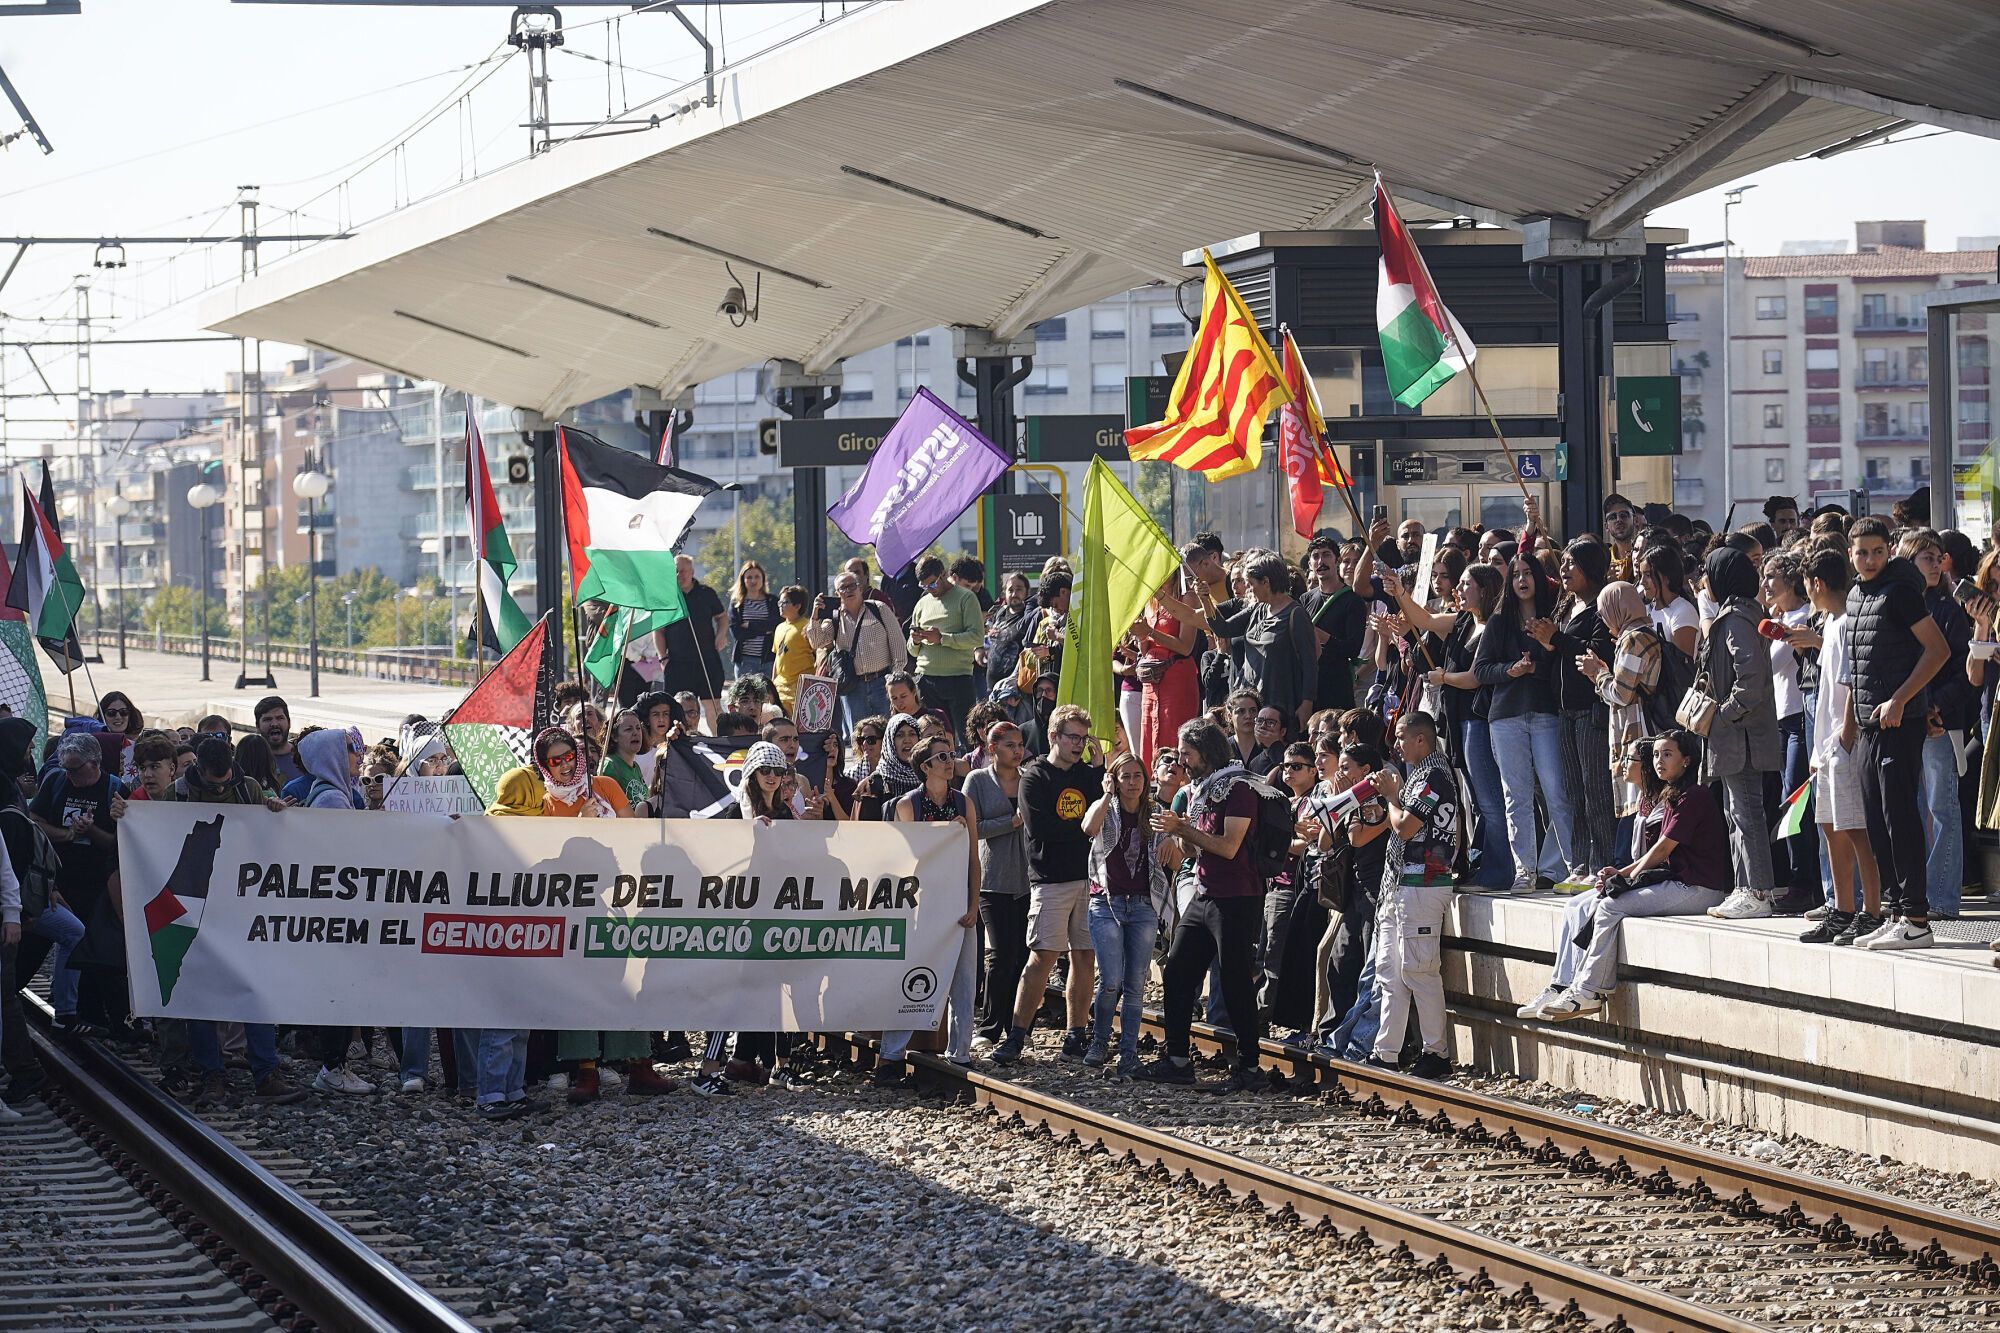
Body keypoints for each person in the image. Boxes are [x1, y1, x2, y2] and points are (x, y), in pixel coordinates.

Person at [1519, 731, 1728, 1020]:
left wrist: (1628, 878)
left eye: (1667, 754)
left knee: (1609, 905)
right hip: (1677, 883)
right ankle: (1563, 986)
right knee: (1580, 904)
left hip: (1699, 889)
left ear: (1687, 760)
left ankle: (1589, 992)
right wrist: (1621, 873)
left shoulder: (1694, 795)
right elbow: (1655, 852)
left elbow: (1662, 849)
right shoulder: (1673, 794)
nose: (1659, 761)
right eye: (1656, 755)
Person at [1843, 516, 1949, 949]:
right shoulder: (1855, 594)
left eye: (1878, 551)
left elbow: (1938, 650)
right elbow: (1859, 667)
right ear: (1850, 554)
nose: (1870, 559)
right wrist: (1849, 724)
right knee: (1875, 820)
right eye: (1862, 552)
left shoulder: (1901, 592)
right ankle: (1896, 912)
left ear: (1889, 551)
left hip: (1899, 723)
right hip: (1869, 724)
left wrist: (1902, 699)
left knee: (1899, 818)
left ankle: (1917, 919)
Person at [1140, 718, 1262, 1091]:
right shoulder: (1202, 789)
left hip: (1236, 897)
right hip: (1205, 892)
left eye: (1187, 754)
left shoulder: (1239, 788)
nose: (1182, 761)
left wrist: (1183, 829)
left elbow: (1229, 846)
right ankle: (1177, 1058)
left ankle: (1250, 1067)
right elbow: (1194, 851)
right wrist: (1180, 833)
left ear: (1206, 753)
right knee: (1177, 971)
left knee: (1235, 980)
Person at [991, 704, 1103, 1066]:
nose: (1079, 744)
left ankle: (1075, 1035)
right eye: (1073, 737)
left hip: (1088, 878)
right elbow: (1042, 829)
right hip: (1051, 880)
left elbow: (1101, 819)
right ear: (1054, 736)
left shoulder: (1088, 775)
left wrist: (1100, 769)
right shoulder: (1035, 776)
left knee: (1084, 956)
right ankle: (1016, 1036)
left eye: (1083, 738)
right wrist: (1084, 830)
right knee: (1042, 957)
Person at [1474, 551, 1585, 892]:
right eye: (1516, 574)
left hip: (1546, 714)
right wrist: (1511, 670)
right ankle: (1524, 870)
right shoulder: (1499, 622)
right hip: (1505, 716)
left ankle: (1574, 867)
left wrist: (1538, 662)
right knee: (1516, 797)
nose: (1522, 580)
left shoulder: (1555, 618)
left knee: (1557, 791)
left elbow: (1563, 667)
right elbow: (1481, 670)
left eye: (1528, 573)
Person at [875, 736, 982, 1082]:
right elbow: (904, 858)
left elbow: (973, 859)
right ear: (925, 767)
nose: (950, 762)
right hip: (920, 907)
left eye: (951, 755)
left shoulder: (963, 802)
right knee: (910, 978)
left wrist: (973, 903)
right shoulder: (909, 805)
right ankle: (891, 1056)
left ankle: (960, 1052)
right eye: (942, 757)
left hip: (958, 904)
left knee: (964, 980)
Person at [1365, 712, 1460, 1079]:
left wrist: (1392, 796)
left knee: (1419, 970)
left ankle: (1436, 1053)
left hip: (1423, 883)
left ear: (1421, 739)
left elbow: (1405, 827)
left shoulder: (1434, 775)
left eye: (1402, 737)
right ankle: (1385, 1052)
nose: (1396, 745)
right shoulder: (1421, 775)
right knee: (1390, 972)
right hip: (1399, 884)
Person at [1797, 549, 1884, 945]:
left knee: (1856, 829)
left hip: (1844, 742)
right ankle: (1842, 908)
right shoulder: (1831, 622)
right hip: (1826, 744)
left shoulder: (1848, 621)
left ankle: (1872, 910)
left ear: (1816, 583)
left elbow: (1852, 683)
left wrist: (1846, 737)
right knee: (1831, 828)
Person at [1693, 546, 1783, 922]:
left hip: (1740, 737)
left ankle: (1757, 891)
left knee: (1746, 813)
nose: (1704, 582)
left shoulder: (1735, 619)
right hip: (1737, 736)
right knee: (1737, 813)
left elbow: (1750, 677)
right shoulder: (1744, 613)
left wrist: (1724, 715)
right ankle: (1745, 888)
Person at [1078, 750, 1179, 1078]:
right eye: (1125, 777)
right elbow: (1088, 827)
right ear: (1115, 780)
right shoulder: (1107, 808)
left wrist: (1173, 845)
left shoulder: (1156, 813)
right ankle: (1099, 1041)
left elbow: (1176, 861)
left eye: (1137, 776)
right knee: (1111, 981)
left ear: (1146, 780)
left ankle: (1128, 1054)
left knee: (1135, 985)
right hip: (1106, 903)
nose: (1132, 783)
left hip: (1143, 905)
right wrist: (1106, 794)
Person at [29, 731, 131, 1041]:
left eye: (75, 769)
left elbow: (118, 843)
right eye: (66, 769)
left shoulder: (115, 789)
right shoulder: (56, 781)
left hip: (98, 883)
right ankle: (68, 1012)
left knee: (94, 950)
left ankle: (95, 1015)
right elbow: (34, 821)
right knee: (58, 943)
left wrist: (91, 831)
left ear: (95, 763)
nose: (70, 776)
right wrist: (67, 834)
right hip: (59, 881)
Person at [1528, 537, 1616, 872]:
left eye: (1571, 563)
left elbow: (1598, 652)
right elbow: (1558, 651)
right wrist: (1544, 647)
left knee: (1596, 791)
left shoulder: (1602, 606)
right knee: (1573, 792)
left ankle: (1602, 863)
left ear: (1590, 568)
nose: (1564, 569)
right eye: (1562, 562)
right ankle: (1580, 862)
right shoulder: (1565, 606)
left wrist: (1557, 639)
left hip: (1591, 710)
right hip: (1563, 711)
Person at [1900, 528, 1974, 919]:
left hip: (1941, 722)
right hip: (1906, 718)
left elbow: (1964, 673)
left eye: (1938, 557)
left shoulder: (1948, 611)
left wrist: (1935, 706)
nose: (1935, 564)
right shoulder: (1899, 605)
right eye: (1926, 558)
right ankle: (1915, 894)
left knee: (1941, 807)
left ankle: (1943, 897)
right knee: (1911, 810)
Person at [1313, 742, 1389, 1055]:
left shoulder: (1379, 799)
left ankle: (1361, 1041)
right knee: (1340, 962)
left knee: (1370, 970)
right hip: (1353, 891)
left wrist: (1351, 801)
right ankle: (1330, 1034)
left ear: (1365, 770)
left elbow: (1358, 837)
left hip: (1376, 890)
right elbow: (1323, 842)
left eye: (1346, 767)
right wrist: (1340, 803)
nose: (1339, 773)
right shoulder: (1348, 800)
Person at [964, 721, 1031, 1050]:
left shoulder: (1028, 779)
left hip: (1028, 878)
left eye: (1020, 745)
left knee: (1022, 955)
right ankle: (990, 1027)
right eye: (1009, 745)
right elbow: (970, 826)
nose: (1017, 751)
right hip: (992, 879)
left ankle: (1014, 1025)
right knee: (1001, 954)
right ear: (992, 749)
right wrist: (1011, 822)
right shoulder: (977, 780)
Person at [1207, 549, 1317, 730]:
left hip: (1279, 706)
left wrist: (1307, 704)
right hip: (1250, 705)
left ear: (1266, 582)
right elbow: (1223, 628)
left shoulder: (1295, 614)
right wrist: (1205, 599)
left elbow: (1310, 663)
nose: (1248, 589)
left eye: (1251, 584)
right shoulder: (1257, 609)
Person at [810, 570, 907, 737]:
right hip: (853, 688)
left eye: (852, 586)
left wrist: (894, 679)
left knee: (888, 735)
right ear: (837, 593)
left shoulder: (878, 609)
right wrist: (814, 615)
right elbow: (817, 642)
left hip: (882, 683)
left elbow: (898, 644)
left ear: (860, 588)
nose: (848, 590)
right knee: (860, 738)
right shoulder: (834, 618)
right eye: (843, 588)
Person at [907, 553, 984, 735]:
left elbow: (976, 637)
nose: (929, 589)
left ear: (943, 574)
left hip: (958, 679)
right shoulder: (922, 603)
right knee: (931, 738)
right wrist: (915, 640)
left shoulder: (966, 598)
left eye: (932, 584)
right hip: (926, 678)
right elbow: (912, 650)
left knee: (966, 737)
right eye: (924, 586)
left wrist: (942, 639)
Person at [654, 555, 729, 730]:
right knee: (677, 707)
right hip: (677, 662)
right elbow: (658, 630)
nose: (679, 575)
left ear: (692, 572)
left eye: (683, 571)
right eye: (676, 571)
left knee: (713, 705)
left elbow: (722, 617)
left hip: (707, 659)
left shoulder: (706, 593)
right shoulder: (666, 596)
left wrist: (721, 635)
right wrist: (662, 657)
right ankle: (681, 743)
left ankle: (718, 741)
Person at [1134, 585, 1201, 767]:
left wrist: (1149, 632)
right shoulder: (1149, 600)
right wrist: (1140, 636)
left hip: (1176, 678)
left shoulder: (1187, 597)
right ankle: (1153, 782)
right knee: (1148, 737)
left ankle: (1178, 781)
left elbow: (1186, 647)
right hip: (1151, 681)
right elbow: (1146, 648)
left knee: (1174, 736)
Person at [1305, 537, 1367, 714]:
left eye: (1326, 555)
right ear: (1310, 564)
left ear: (1337, 560)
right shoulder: (1305, 599)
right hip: (1309, 687)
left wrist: (1321, 636)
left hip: (1337, 688)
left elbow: (1353, 648)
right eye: (1315, 556)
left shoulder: (1353, 601)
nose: (1321, 561)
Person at [728, 560, 780, 682]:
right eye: (749, 577)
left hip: (768, 660)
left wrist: (750, 625)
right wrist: (764, 630)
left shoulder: (772, 601)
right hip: (745, 661)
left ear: (763, 579)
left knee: (767, 693)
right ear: (743, 580)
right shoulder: (737, 603)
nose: (753, 581)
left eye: (757, 577)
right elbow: (737, 633)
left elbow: (774, 625)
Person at [770, 585, 814, 716]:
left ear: (797, 606)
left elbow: (818, 655)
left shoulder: (807, 627)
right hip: (780, 688)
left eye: (785, 602)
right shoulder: (779, 627)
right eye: (779, 602)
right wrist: (772, 684)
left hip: (800, 688)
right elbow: (778, 657)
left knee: (798, 726)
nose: (780, 605)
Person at [598, 709, 652, 813]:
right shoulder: (609, 766)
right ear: (614, 736)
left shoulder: (636, 767)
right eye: (628, 729)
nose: (636, 733)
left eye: (638, 728)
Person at [255, 695, 306, 789]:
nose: (274, 724)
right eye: (267, 719)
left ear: (289, 722)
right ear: (257, 726)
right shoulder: (251, 759)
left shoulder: (305, 757)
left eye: (280, 718)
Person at [1601, 493, 1639, 582]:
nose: (1618, 520)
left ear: (1635, 520)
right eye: (1612, 517)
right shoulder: (1603, 559)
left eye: (1623, 515)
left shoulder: (1645, 554)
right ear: (1606, 526)